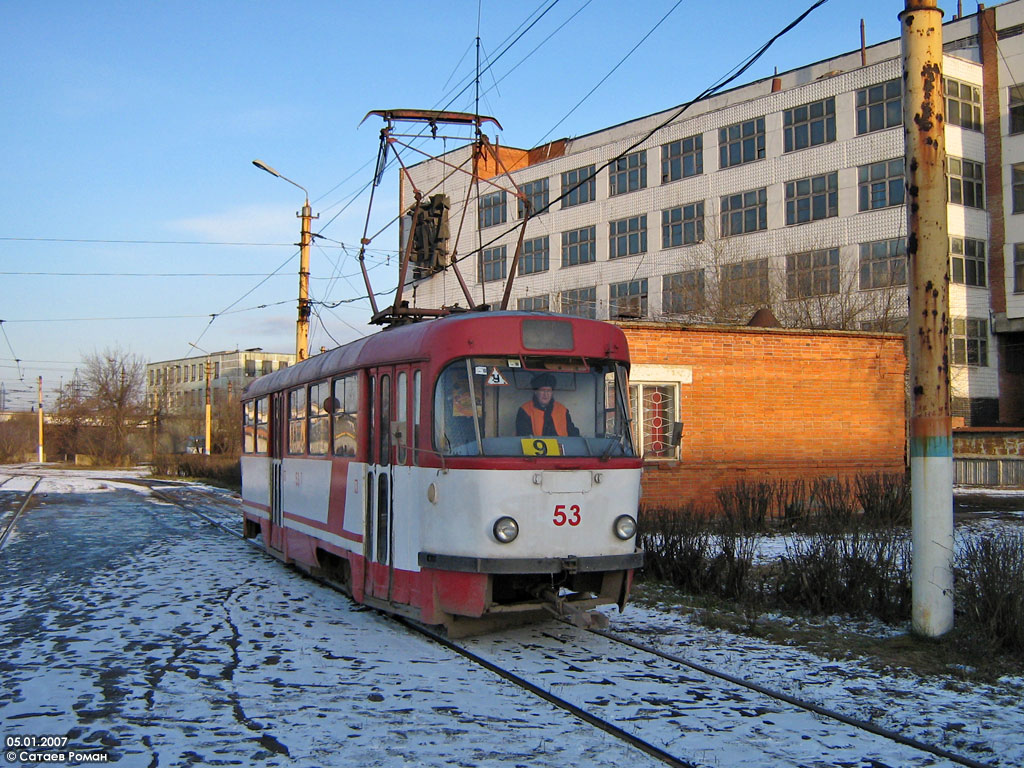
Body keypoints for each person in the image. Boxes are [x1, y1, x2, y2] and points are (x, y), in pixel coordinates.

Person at [516, 372, 579, 437]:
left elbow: (572, 432)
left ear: (552, 393)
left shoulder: (562, 410)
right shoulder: (525, 410)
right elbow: (523, 435)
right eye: (542, 390)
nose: (546, 394)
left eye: (549, 391)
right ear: (535, 392)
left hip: (561, 446)